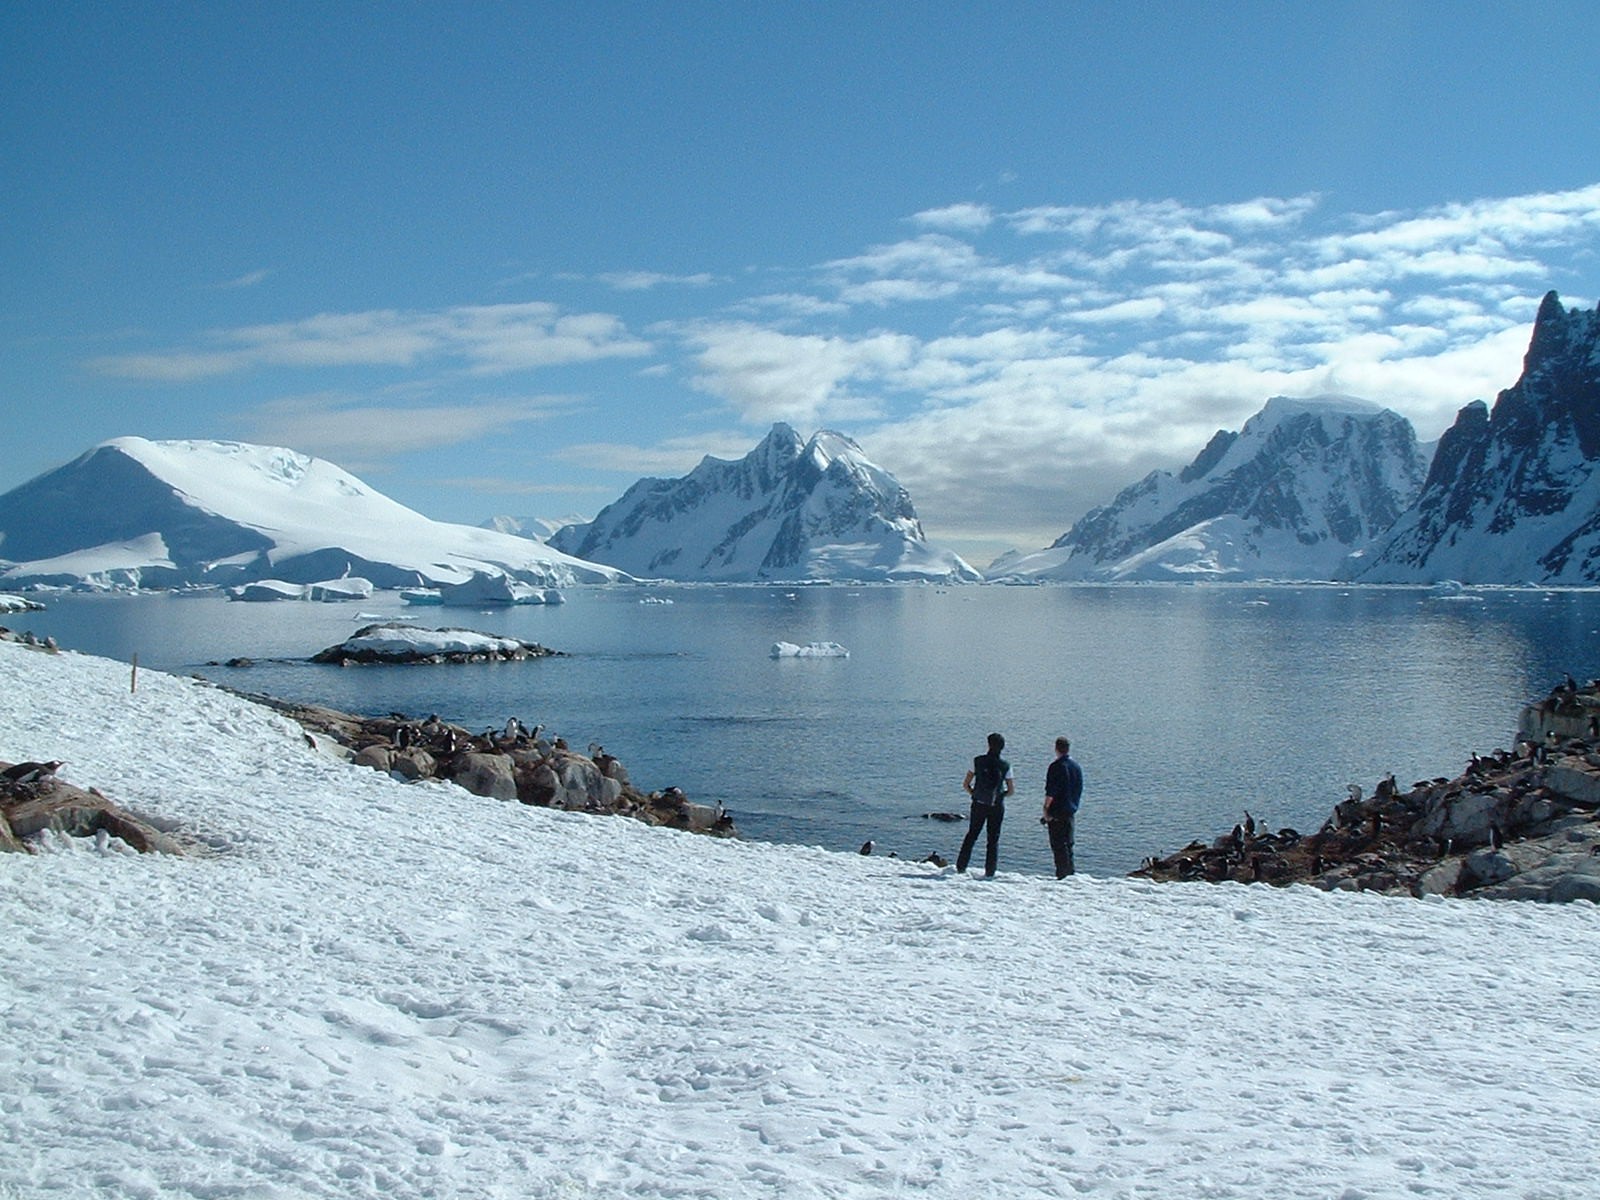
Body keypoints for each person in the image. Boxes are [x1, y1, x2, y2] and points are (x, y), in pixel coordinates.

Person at [957, 732, 1013, 877]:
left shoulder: (977, 761)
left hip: (978, 803)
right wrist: (1001, 796)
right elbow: (1011, 790)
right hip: (996, 805)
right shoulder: (1005, 765)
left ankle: (961, 867)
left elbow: (966, 784)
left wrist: (974, 794)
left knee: (972, 835)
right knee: (993, 839)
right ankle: (989, 871)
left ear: (988, 744)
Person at [1043, 735, 1083, 878]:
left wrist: (1046, 810)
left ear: (1056, 748)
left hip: (1057, 811)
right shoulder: (1076, 767)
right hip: (1071, 810)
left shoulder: (1056, 767)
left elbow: (1051, 792)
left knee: (1058, 847)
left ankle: (1062, 876)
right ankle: (1070, 875)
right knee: (1069, 846)